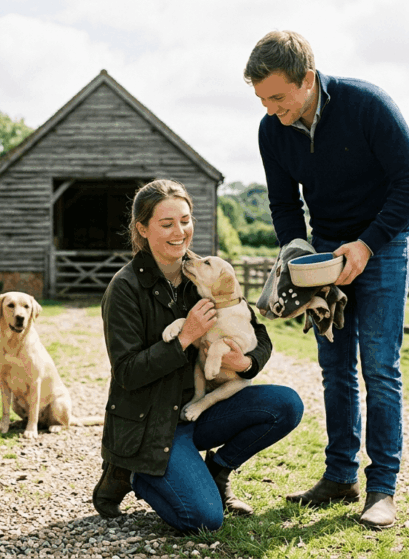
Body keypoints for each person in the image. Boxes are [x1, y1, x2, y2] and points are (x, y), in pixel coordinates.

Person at [244, 31, 409, 529]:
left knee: (379, 369)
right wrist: (298, 255)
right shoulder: (272, 129)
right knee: (335, 368)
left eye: (278, 97)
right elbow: (284, 204)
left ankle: (382, 489)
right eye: (261, 99)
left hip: (383, 246)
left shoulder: (366, 104)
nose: (271, 109)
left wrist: (367, 244)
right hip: (325, 253)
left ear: (307, 79)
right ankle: (339, 475)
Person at [92, 179, 304, 533]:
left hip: (198, 408)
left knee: (286, 404)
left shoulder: (201, 274)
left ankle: (218, 470)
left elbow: (257, 330)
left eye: (185, 220)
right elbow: (127, 373)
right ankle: (134, 472)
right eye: (166, 223)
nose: (180, 232)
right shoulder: (125, 289)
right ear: (142, 229)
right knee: (203, 519)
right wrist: (184, 338)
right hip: (152, 423)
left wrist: (247, 363)